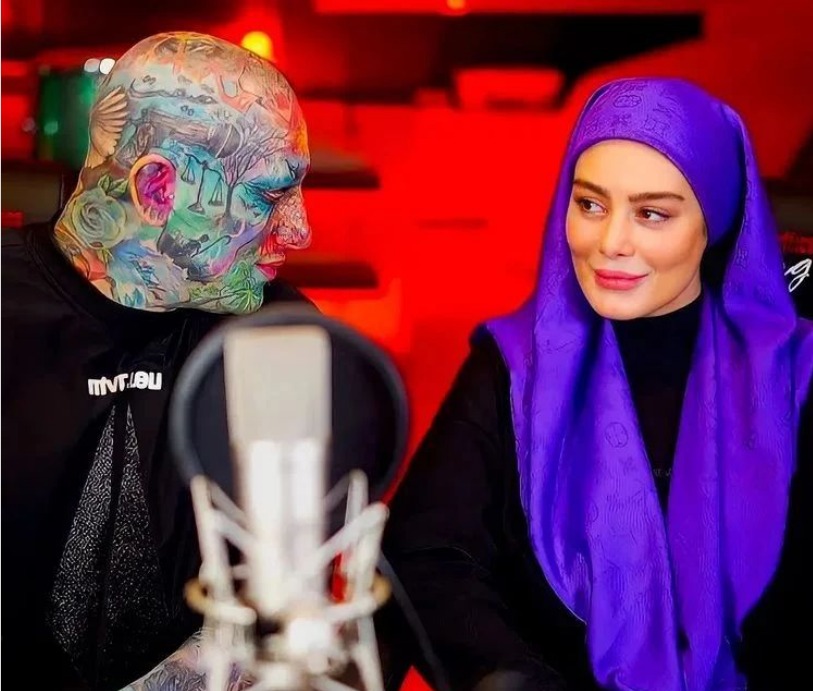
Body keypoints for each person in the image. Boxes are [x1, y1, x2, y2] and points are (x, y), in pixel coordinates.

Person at [378, 78, 813, 691]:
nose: (611, 243)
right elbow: (426, 555)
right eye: (590, 205)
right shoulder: (514, 366)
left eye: (652, 213)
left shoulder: (793, 372)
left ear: (712, 223)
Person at [1, 31, 313, 690]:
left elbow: (279, 601)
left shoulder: (280, 334)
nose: (300, 229)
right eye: (269, 195)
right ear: (159, 188)